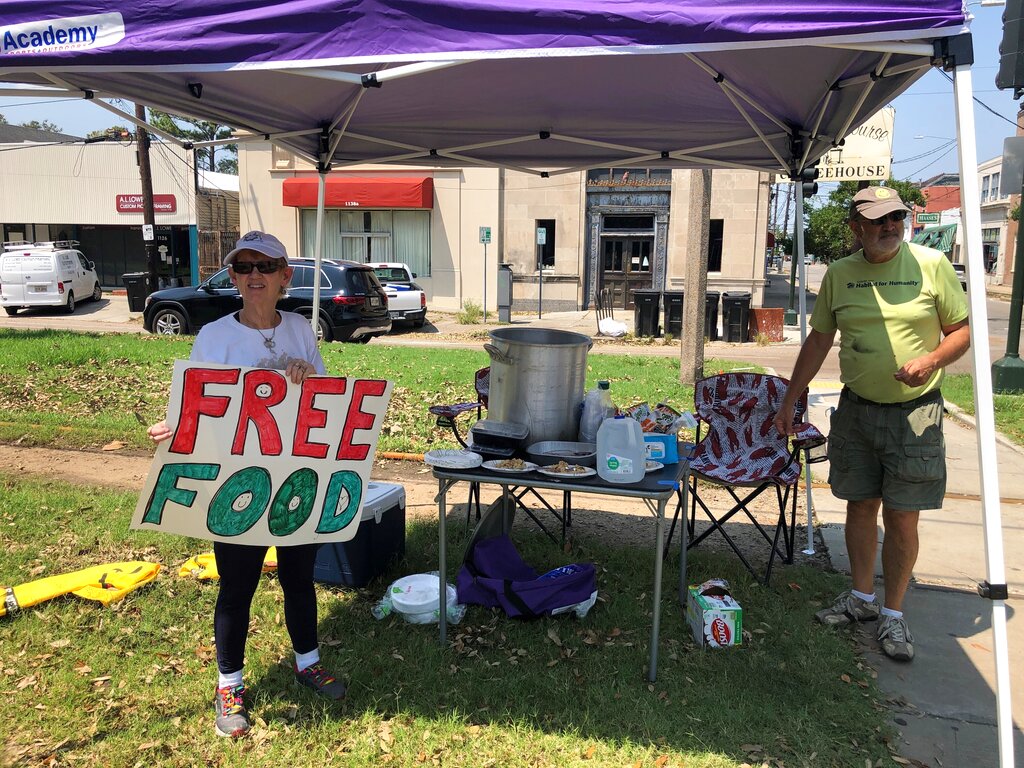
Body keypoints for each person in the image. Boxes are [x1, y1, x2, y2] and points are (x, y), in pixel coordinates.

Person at [147, 230, 345, 738]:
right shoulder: (215, 336)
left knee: (300, 576)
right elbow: (198, 404)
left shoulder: (302, 327)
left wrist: (308, 376)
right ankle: (229, 683)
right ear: (233, 277)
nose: (254, 276)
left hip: (294, 475)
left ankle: (308, 661)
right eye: (244, 267)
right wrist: (174, 429)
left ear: (284, 276)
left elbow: (320, 406)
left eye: (265, 266)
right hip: (238, 482)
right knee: (238, 586)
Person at [773, 186, 969, 663]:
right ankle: (861, 598)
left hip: (914, 414)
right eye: (879, 220)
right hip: (857, 409)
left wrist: (930, 360)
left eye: (896, 218)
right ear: (856, 228)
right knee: (860, 506)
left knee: (902, 514)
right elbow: (818, 342)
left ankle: (895, 616)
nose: (889, 227)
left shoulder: (930, 265)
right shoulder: (840, 275)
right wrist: (789, 402)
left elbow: (961, 332)